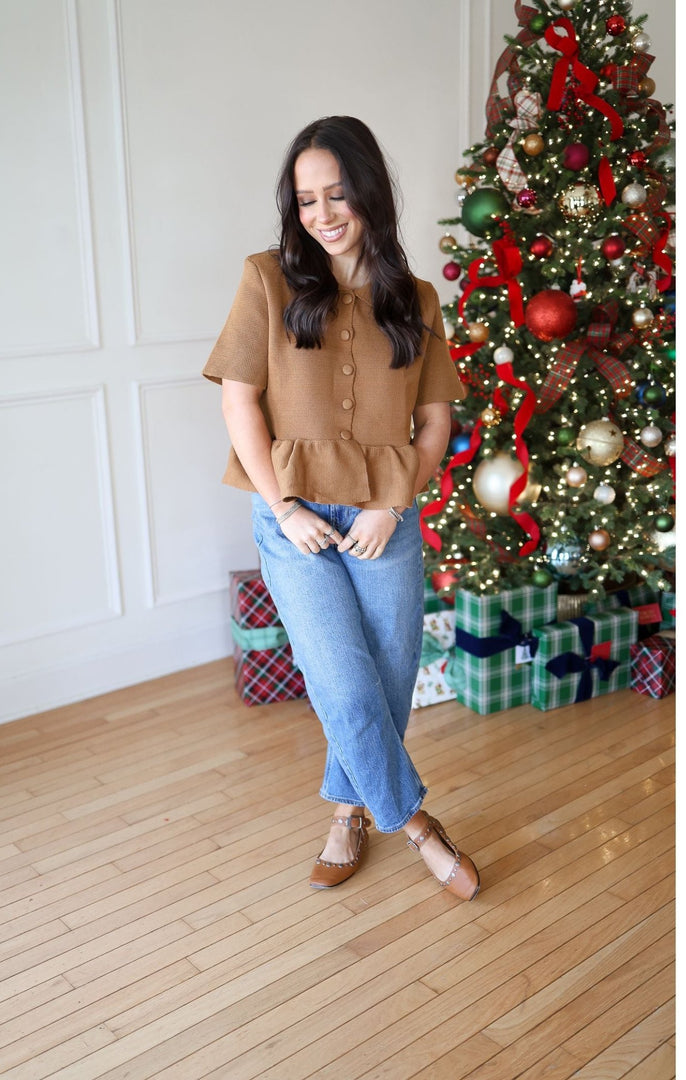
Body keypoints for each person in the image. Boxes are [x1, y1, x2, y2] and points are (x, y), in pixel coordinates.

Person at [203, 116, 480, 901]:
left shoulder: (416, 298)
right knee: (346, 688)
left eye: (336, 195)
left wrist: (392, 505)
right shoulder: (267, 278)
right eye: (305, 199)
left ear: (368, 195)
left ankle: (346, 814)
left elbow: (434, 425)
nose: (322, 213)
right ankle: (418, 824)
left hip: (383, 521)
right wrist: (284, 507)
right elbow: (239, 405)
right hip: (296, 521)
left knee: (388, 683)